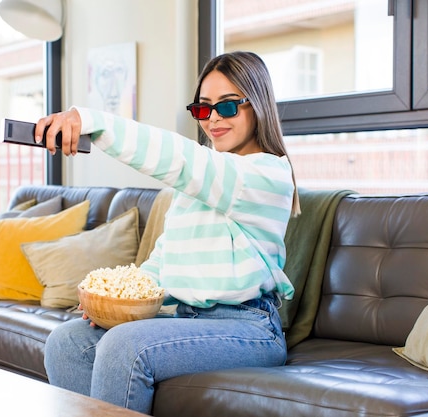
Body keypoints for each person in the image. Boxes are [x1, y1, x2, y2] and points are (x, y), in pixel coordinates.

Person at [35, 51, 300, 415]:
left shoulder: (266, 175)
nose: (213, 120)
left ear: (258, 105)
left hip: (249, 327)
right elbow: (165, 259)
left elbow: (182, 160)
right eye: (204, 109)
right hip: (186, 318)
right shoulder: (200, 186)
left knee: (125, 346)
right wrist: (113, 305)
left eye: (227, 107)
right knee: (67, 341)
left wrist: (93, 122)